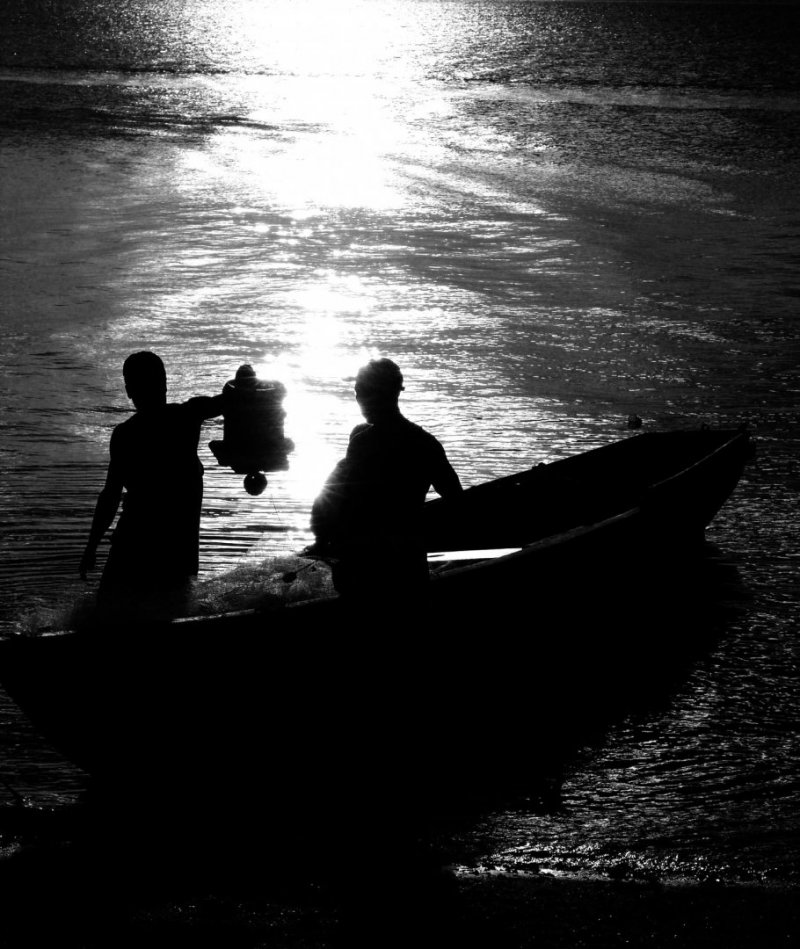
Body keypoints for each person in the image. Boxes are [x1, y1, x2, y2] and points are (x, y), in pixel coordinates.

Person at [310, 358, 462, 601]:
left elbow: (340, 499)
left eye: (359, 391)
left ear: (373, 394)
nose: (357, 397)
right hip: (407, 563)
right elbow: (456, 499)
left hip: (363, 566)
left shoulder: (361, 440)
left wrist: (323, 539)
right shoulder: (426, 444)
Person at [79, 351, 226, 597]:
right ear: (164, 384)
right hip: (173, 548)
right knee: (169, 611)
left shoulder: (125, 435)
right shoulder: (188, 416)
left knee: (109, 616)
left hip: (133, 546)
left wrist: (91, 546)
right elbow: (230, 400)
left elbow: (110, 496)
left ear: (128, 390)